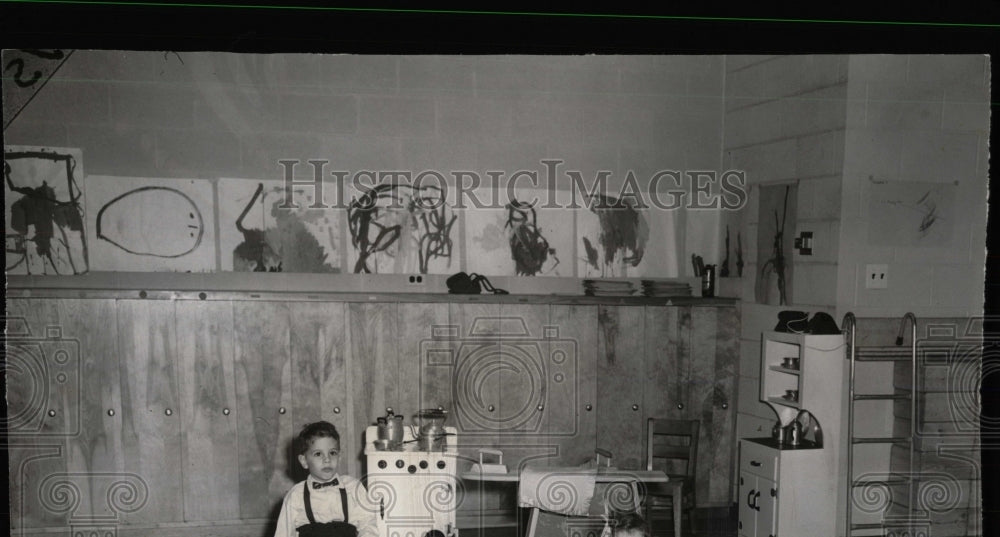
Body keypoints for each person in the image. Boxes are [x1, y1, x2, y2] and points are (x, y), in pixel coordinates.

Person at [274, 421, 379, 537]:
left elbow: (369, 524)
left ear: (339, 456)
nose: (327, 459)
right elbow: (283, 534)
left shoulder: (353, 488)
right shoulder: (295, 495)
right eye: (318, 454)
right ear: (304, 461)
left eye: (332, 453)